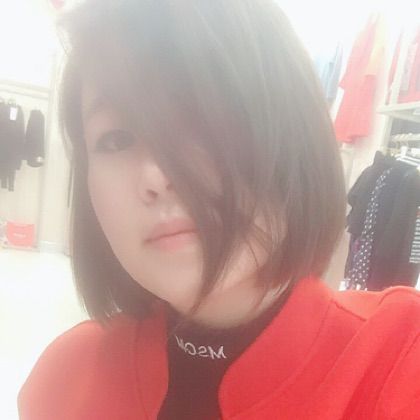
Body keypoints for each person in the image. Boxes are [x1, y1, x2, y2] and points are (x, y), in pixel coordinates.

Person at [18, 1, 420, 419]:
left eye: (205, 120)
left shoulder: (402, 361)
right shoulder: (64, 379)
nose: (157, 175)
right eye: (116, 139)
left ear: (296, 136)